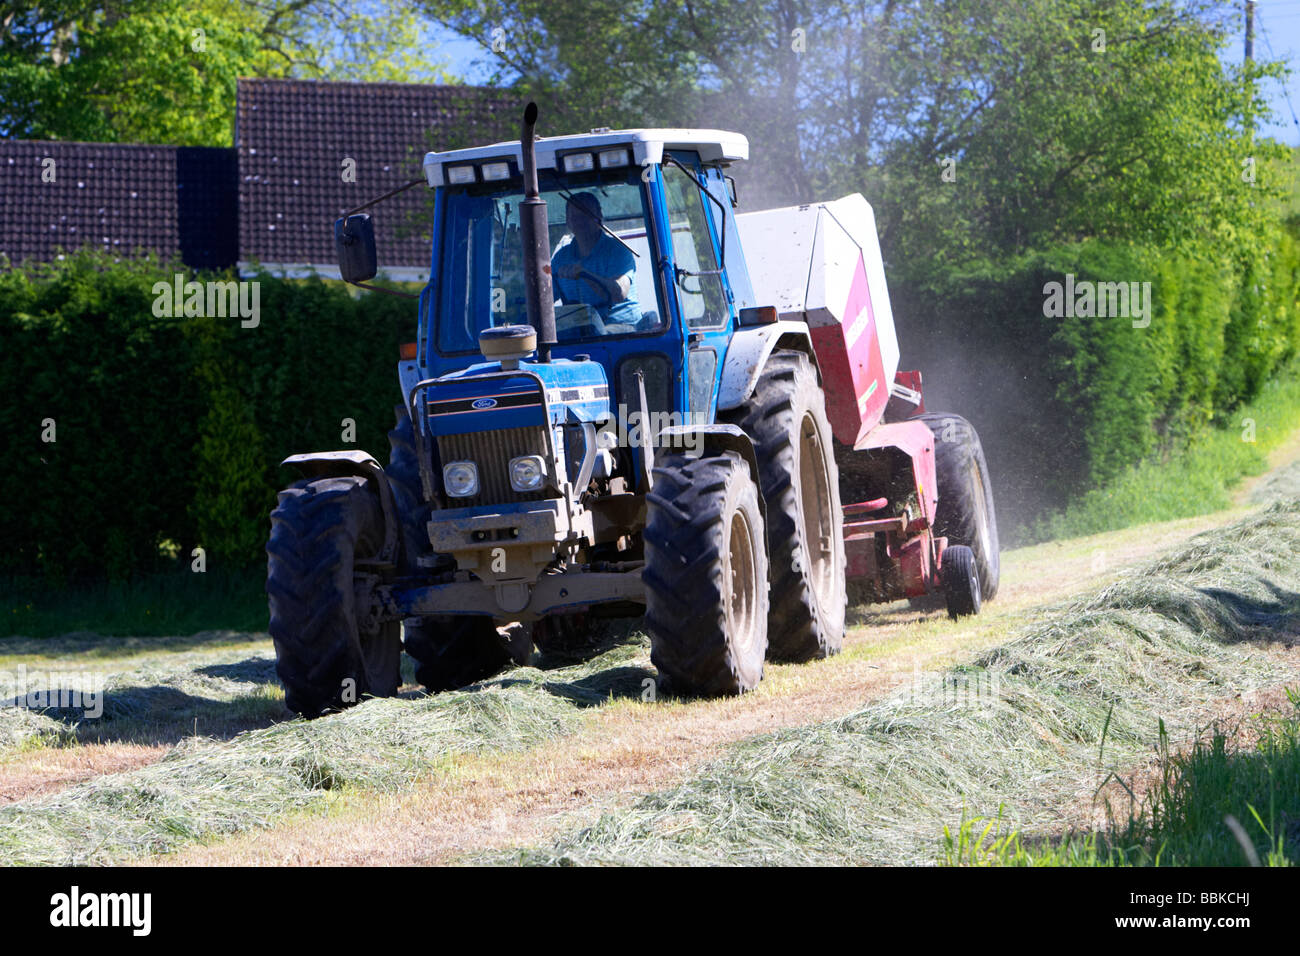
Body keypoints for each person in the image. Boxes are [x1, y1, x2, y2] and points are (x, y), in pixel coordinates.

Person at [550, 192, 640, 326]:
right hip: (580, 331)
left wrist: (585, 275)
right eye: (575, 217)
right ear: (568, 222)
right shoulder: (560, 258)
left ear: (599, 217)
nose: (580, 221)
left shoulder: (618, 251)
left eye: (585, 215)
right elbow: (544, 300)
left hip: (621, 330)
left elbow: (619, 293)